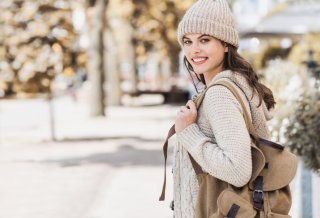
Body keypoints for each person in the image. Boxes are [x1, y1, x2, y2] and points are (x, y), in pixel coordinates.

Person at [170, 0, 276, 217]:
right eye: (187, 41)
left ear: (226, 44)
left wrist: (188, 132)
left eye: (205, 40)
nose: (194, 49)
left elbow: (237, 170)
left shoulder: (220, 94)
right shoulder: (237, 84)